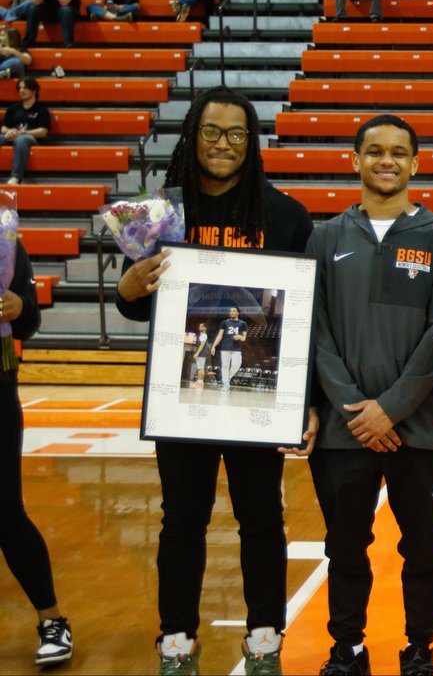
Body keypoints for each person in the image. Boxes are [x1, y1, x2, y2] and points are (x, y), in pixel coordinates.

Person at [114, 85, 313, 675]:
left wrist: (300, 401)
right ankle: (176, 638)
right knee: (181, 519)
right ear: (192, 136)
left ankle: (264, 637)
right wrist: (128, 288)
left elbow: (303, 316)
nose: (222, 144)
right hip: (183, 397)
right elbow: (136, 303)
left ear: (251, 143)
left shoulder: (285, 216)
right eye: (211, 132)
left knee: (262, 518)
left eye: (235, 134)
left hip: (258, 396)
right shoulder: (162, 213)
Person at [306, 114, 433, 676]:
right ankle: (347, 648)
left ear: (415, 164)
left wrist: (390, 409)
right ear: (355, 160)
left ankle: (420, 649)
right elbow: (315, 332)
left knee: (423, 549)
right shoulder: (324, 238)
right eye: (374, 151)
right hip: (344, 430)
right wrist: (356, 411)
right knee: (345, 548)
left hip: (417, 429)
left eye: (399, 152)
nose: (386, 160)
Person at [0, 239, 75, 669]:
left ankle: (52, 620)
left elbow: (29, 319)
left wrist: (17, 308)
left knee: (6, 512)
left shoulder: (4, 238)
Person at [1, 76, 50, 185]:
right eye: (20, 88)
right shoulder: (12, 109)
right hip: (12, 135)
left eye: (25, 88)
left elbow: (43, 131)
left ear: (34, 90)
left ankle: (16, 177)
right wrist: (9, 131)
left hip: (30, 139)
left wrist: (24, 132)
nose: (21, 91)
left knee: (21, 139)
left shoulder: (42, 109)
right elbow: (3, 128)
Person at [210, 306, 248, 391]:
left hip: (236, 348)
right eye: (230, 311)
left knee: (236, 364)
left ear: (238, 313)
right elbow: (220, 335)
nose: (231, 312)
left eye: (233, 311)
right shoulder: (225, 322)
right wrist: (213, 346)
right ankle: (226, 385)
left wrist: (240, 336)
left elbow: (244, 338)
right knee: (225, 366)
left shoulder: (243, 324)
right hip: (225, 347)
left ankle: (228, 378)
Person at [189, 322, 210, 386]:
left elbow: (202, 345)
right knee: (200, 368)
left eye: (202, 326)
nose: (200, 327)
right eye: (200, 326)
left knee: (201, 368)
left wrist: (197, 353)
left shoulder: (204, 335)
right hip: (201, 354)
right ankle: (199, 382)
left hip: (202, 354)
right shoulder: (201, 335)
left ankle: (200, 383)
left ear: (205, 328)